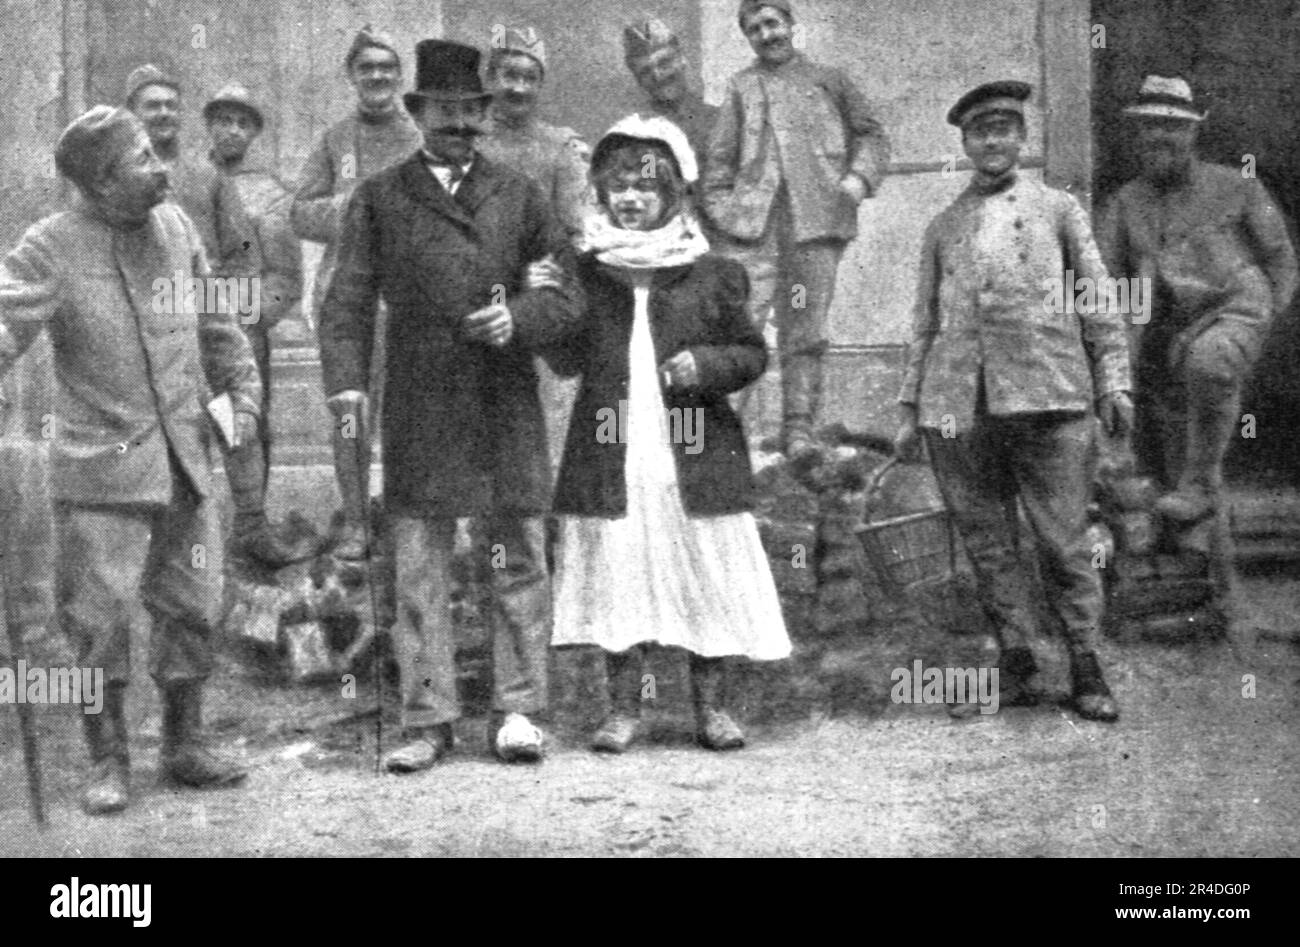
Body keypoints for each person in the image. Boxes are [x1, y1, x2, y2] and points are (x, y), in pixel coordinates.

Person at [318, 39, 583, 773]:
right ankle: (427, 718)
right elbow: (345, 301)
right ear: (419, 113)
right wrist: (347, 383)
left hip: (502, 398)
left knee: (521, 551)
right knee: (420, 562)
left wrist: (519, 319)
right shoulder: (380, 196)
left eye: (473, 112)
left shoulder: (520, 195)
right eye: (447, 112)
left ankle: (520, 708)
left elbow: (566, 296)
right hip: (423, 398)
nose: (462, 126)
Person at [0, 106, 261, 813]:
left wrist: (243, 394)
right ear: (99, 185)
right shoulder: (50, 246)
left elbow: (218, 321)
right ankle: (108, 758)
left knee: (193, 605)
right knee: (97, 618)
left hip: (183, 456)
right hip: (101, 468)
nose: (161, 167)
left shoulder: (176, 228)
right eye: (141, 161)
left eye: (154, 152)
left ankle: (184, 743)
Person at [545, 115, 791, 753]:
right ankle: (623, 710)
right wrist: (546, 307)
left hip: (694, 447)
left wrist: (705, 366)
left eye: (646, 186)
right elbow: (567, 361)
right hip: (613, 448)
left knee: (703, 569)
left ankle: (712, 710)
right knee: (621, 572)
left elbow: (751, 354)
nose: (631, 198)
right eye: (618, 186)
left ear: (674, 193)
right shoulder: (588, 271)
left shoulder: (712, 273)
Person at [893, 82, 1132, 722]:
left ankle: (1085, 663)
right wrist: (910, 406)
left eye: (1005, 129)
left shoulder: (1058, 209)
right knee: (987, 540)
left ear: (1022, 138)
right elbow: (923, 321)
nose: (993, 141)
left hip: (1050, 394)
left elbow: (1098, 298)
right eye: (980, 132)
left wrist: (1113, 379)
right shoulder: (943, 225)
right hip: (958, 405)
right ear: (966, 143)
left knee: (1062, 541)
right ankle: (1018, 658)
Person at [1096, 74, 1297, 626]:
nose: (1161, 138)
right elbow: (1110, 284)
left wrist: (1261, 322)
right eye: (1149, 129)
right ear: (1136, 137)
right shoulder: (1126, 203)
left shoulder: (1237, 186)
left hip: (1235, 311)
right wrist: (1117, 356)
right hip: (1169, 335)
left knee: (1212, 363)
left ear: (1193, 134)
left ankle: (1195, 487)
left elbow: (1279, 258)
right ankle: (1192, 591)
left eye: (1173, 128)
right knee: (1145, 424)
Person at [126, 64, 311, 569]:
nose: (162, 114)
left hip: (204, 321)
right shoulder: (111, 179)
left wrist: (220, 317)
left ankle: (249, 526)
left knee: (235, 417)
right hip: (136, 327)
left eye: (170, 105)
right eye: (150, 105)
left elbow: (245, 258)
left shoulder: (205, 179)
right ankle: (158, 539)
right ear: (131, 115)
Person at [703, 0, 890, 459]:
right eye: (754, 29)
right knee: (739, 327)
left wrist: (857, 179)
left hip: (815, 226)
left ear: (790, 25)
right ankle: (721, 436)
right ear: (748, 38)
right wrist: (727, 213)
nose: (767, 35)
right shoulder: (742, 88)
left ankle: (799, 429)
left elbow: (871, 135)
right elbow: (719, 162)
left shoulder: (829, 80)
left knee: (804, 330)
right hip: (754, 232)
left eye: (772, 23)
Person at [292, 26, 423, 560]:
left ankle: (404, 518)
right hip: (345, 300)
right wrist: (351, 207)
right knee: (349, 412)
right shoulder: (333, 140)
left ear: (399, 76)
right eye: (366, 68)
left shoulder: (418, 138)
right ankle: (354, 521)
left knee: (409, 413)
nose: (377, 77)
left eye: (386, 68)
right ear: (352, 76)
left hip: (407, 299)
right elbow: (299, 213)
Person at [622, 18, 718, 173]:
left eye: (664, 63)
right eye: (646, 71)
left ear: (682, 60)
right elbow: (651, 184)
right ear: (638, 80)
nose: (658, 76)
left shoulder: (721, 121)